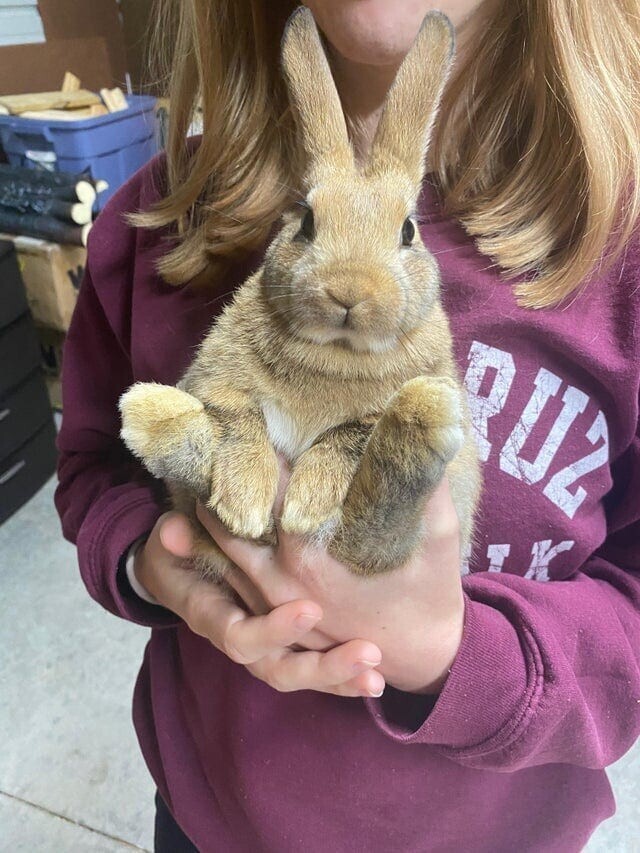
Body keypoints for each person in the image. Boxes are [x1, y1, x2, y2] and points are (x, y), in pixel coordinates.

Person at [55, 0, 640, 850]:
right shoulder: (155, 222)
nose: (346, 285)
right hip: (212, 816)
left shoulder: (617, 250)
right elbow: (92, 472)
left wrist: (450, 648)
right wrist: (156, 562)